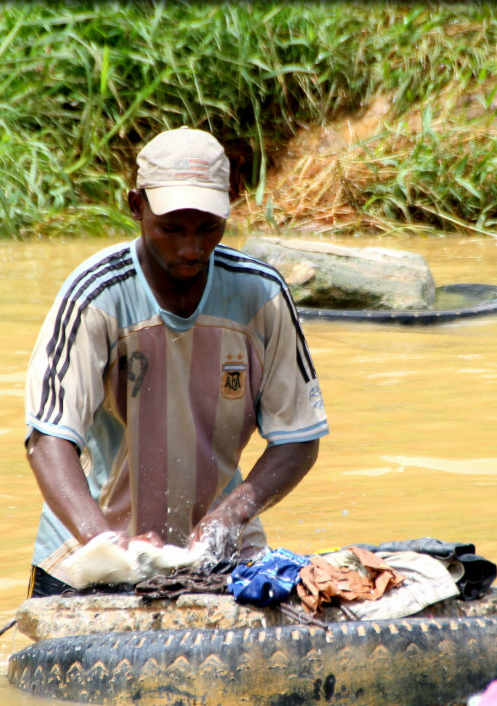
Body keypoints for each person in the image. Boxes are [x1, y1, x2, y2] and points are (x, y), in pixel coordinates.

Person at [22, 127, 328, 597]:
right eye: (172, 229)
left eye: (208, 228)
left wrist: (231, 514)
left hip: (218, 558)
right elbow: (48, 441)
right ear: (135, 207)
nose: (191, 249)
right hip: (88, 557)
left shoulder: (261, 295)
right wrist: (105, 542)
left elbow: (299, 438)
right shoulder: (96, 297)